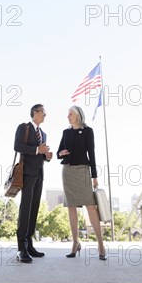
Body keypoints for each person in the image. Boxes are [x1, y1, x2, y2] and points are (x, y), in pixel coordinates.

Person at [57, 105, 106, 260]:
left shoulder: (87, 131)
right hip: (68, 171)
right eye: (67, 114)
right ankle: (75, 243)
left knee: (91, 206)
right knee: (71, 207)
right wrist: (61, 153)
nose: (68, 117)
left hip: (83, 171)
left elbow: (91, 153)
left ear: (77, 116)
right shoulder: (65, 132)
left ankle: (101, 245)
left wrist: (94, 176)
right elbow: (59, 152)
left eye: (70, 114)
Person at [14, 104, 53, 263]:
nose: (45, 115)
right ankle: (21, 248)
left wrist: (47, 156)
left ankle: (29, 244)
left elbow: (41, 154)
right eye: (43, 112)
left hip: (39, 174)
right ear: (35, 112)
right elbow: (17, 146)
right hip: (27, 173)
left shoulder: (43, 133)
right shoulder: (24, 128)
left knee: (34, 208)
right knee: (26, 207)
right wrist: (38, 150)